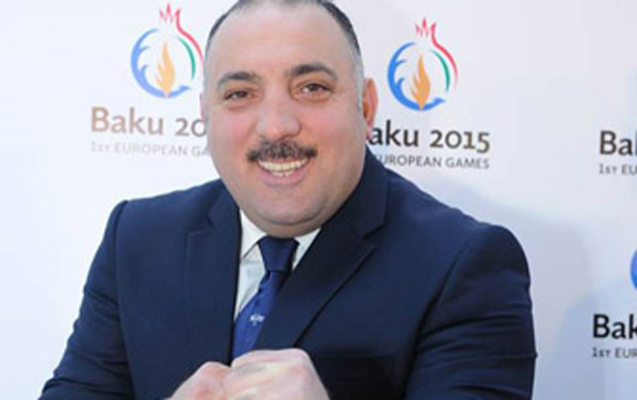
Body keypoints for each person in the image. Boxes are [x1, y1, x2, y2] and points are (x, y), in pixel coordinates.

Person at [41, 0, 536, 399]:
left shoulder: (464, 265)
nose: (276, 125)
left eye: (311, 87)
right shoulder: (137, 238)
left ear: (366, 108)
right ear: (205, 115)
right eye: (240, 93)